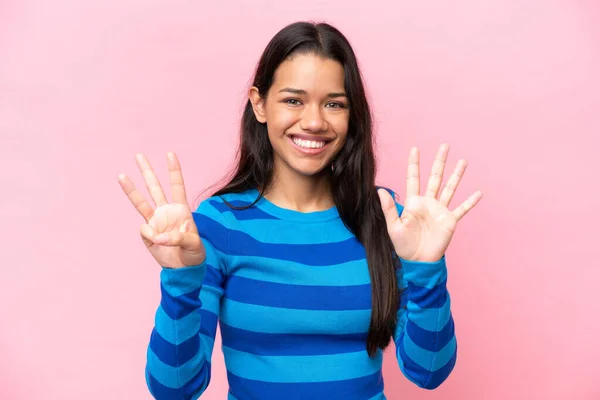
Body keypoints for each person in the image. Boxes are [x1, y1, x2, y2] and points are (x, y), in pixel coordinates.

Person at [118, 21, 482, 400]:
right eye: (293, 100)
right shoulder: (219, 225)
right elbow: (174, 389)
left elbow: (429, 372)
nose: (313, 122)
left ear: (352, 113)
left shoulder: (390, 219)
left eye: (334, 104)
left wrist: (426, 270)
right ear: (259, 104)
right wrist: (181, 281)